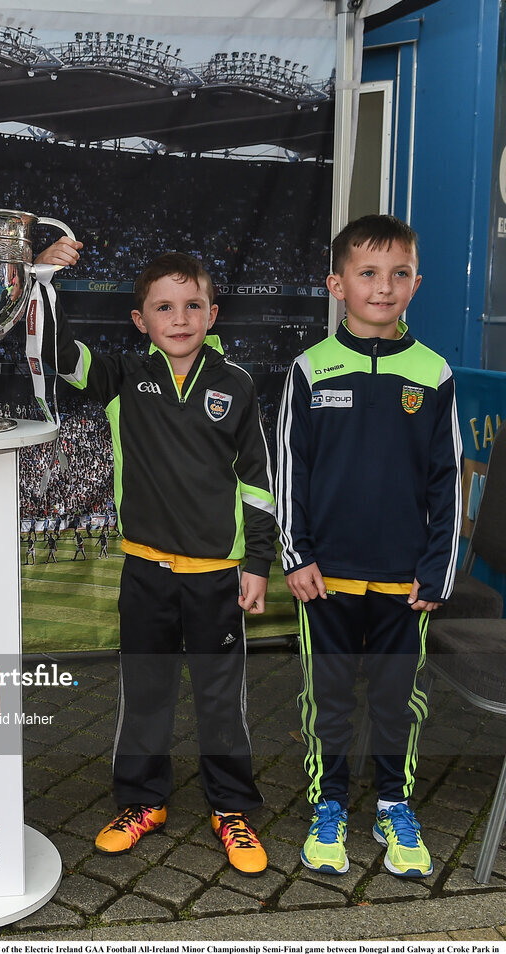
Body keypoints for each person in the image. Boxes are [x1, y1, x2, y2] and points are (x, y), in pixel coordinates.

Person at [43, 240, 276, 877]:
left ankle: (231, 809)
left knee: (219, 700)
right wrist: (47, 282)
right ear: (140, 321)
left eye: (192, 305)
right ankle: (142, 801)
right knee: (144, 694)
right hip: (145, 572)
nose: (180, 318)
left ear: (213, 313)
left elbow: (258, 481)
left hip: (214, 579)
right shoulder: (123, 377)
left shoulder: (238, 385)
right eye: (164, 308)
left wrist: (256, 562)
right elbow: (59, 357)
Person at [277, 215, 462, 880]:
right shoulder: (310, 368)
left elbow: (447, 481)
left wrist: (437, 572)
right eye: (367, 273)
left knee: (394, 698)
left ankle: (392, 801)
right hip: (326, 576)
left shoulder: (434, 373)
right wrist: (296, 557)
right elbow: (289, 469)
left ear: (416, 282)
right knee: (327, 698)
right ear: (337, 284)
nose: (383, 287)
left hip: (403, 579)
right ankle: (329, 806)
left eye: (399, 274)